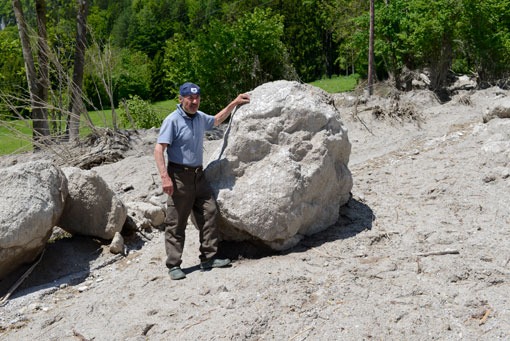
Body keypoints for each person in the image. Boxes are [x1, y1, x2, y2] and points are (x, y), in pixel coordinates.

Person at [154, 82, 250, 280]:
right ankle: (174, 265)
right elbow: (158, 149)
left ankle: (208, 257)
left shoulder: (199, 118)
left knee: (210, 213)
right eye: (190, 98)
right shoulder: (172, 120)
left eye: (197, 98)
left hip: (199, 175)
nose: (194, 101)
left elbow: (216, 120)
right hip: (178, 176)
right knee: (176, 222)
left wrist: (233, 103)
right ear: (181, 99)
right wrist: (165, 177)